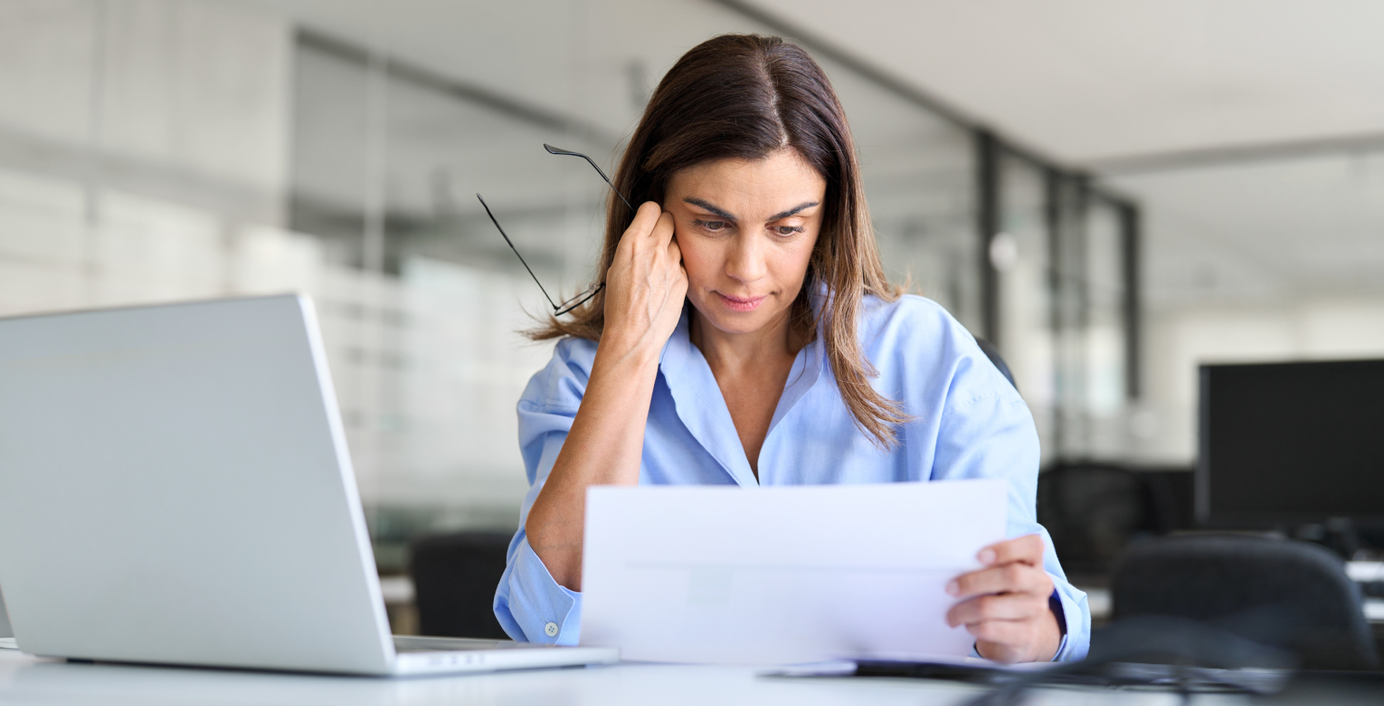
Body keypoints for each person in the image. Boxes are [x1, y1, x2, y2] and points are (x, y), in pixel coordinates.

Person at [493, 33, 1090, 663]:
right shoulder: (584, 376)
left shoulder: (930, 358)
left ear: (826, 220)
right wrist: (630, 351)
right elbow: (545, 623)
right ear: (652, 216)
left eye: (786, 227)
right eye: (712, 222)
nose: (747, 269)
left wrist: (1035, 626)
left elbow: (1043, 609)